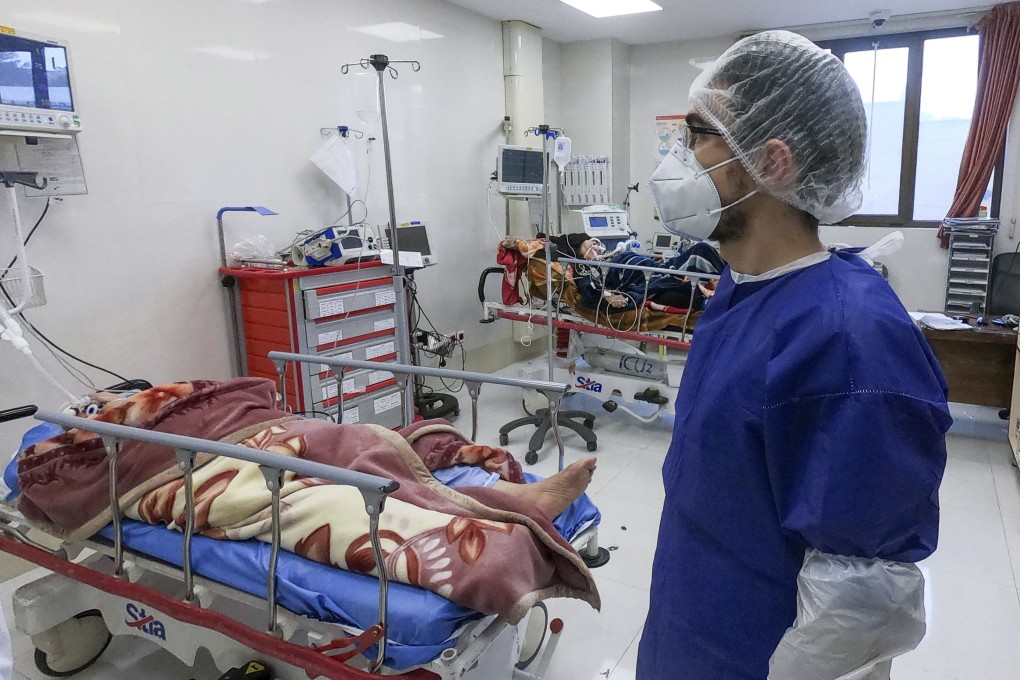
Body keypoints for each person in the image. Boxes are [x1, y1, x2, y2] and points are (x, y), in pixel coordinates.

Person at [638, 30, 951, 680]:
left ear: (772, 163)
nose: (679, 157)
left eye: (697, 135)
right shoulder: (740, 289)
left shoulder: (848, 340)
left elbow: (863, 606)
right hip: (688, 625)